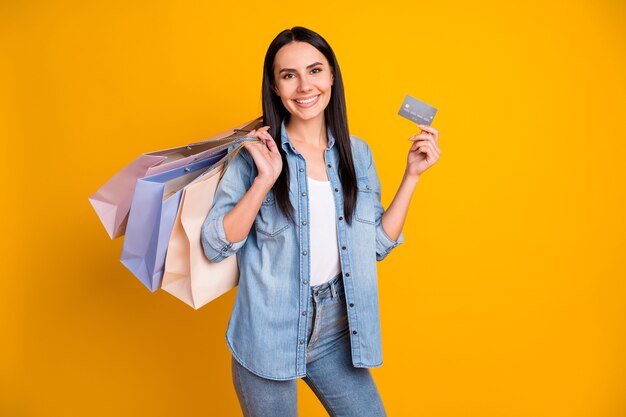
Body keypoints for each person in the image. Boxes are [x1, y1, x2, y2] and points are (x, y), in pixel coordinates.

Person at [201, 26, 440, 417]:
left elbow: (376, 245)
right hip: (267, 332)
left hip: (334, 329)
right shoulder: (255, 155)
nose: (303, 86)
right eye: (288, 75)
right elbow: (215, 245)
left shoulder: (356, 153)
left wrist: (411, 175)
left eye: (314, 71)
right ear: (275, 87)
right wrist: (264, 181)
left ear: (331, 77)